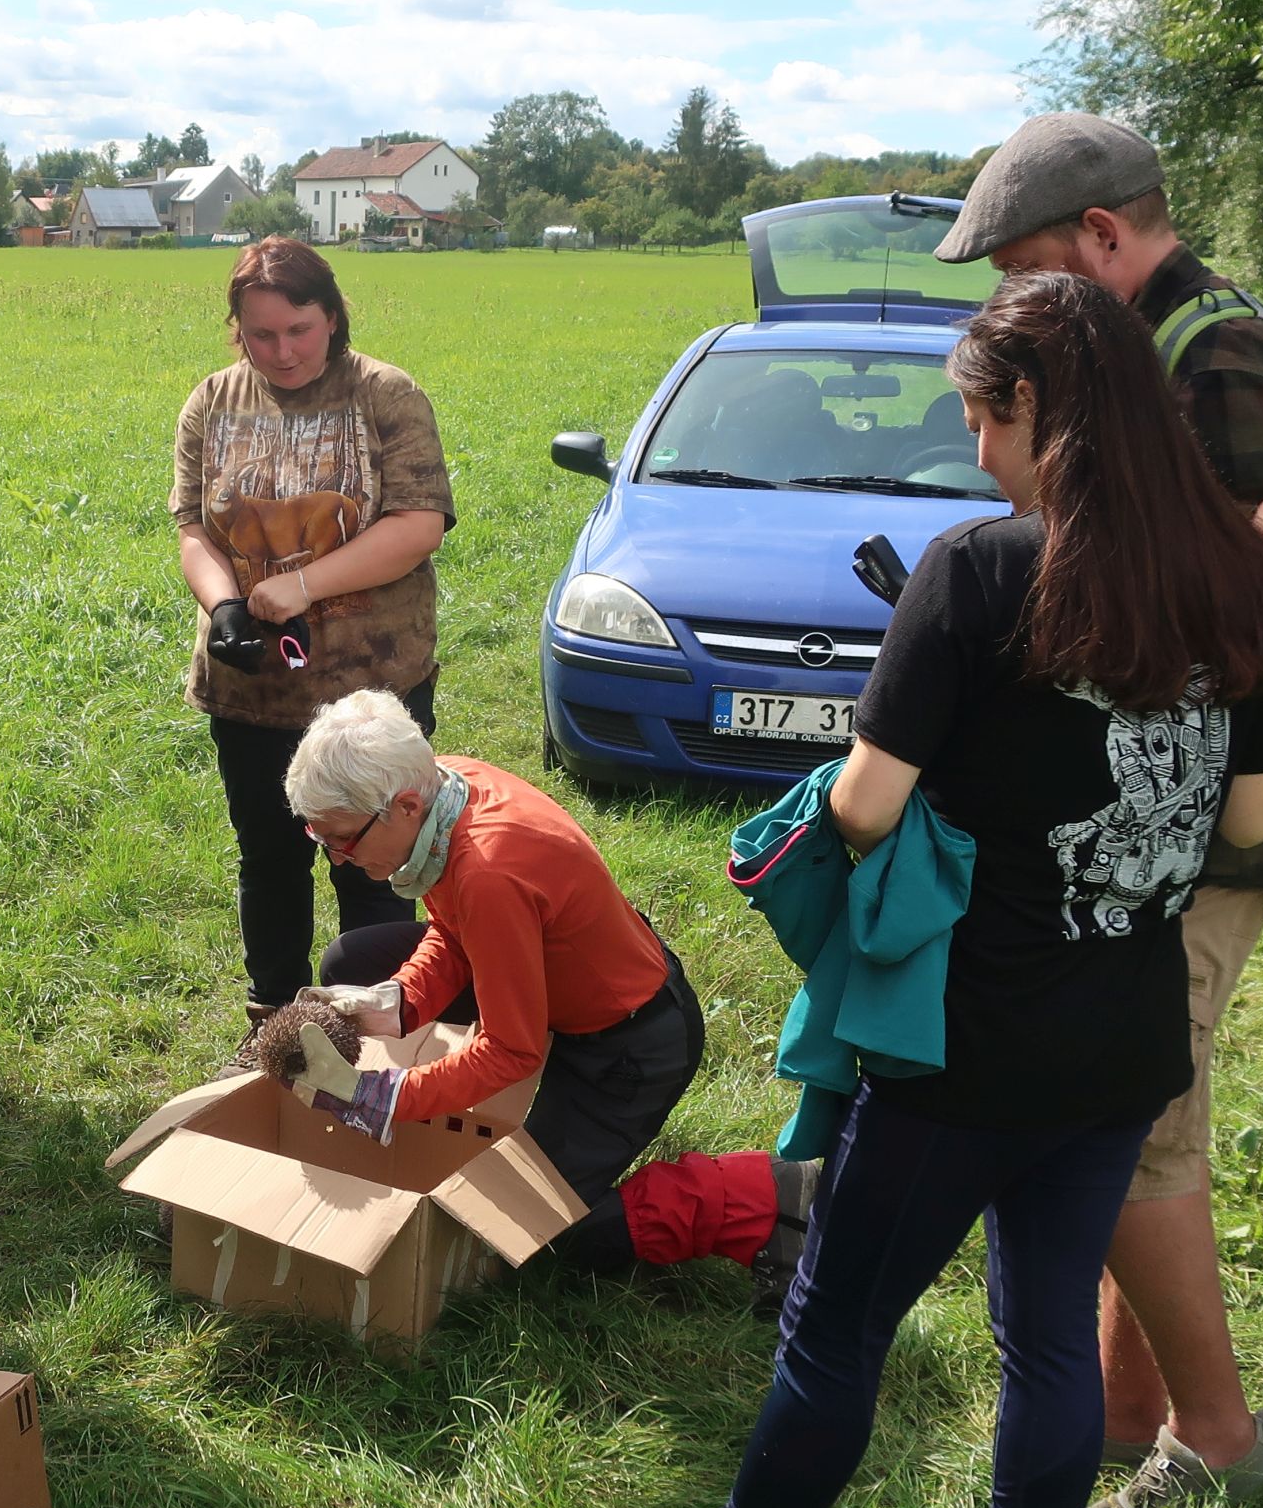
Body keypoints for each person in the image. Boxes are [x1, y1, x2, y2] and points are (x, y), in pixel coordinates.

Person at [537, 271, 1263, 1508]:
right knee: (1047, 1341)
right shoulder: (1239, 578)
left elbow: (861, 809)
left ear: (1033, 409)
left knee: (836, 1329)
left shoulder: (980, 572)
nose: (975, 452)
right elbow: (1256, 819)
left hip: (963, 1043)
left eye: (979, 419)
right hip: (1124, 1036)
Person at [936, 113, 1263, 1508]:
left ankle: (1216, 1442)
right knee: (1123, 1113)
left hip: (1212, 820)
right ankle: (1121, 1410)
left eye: (1027, 272)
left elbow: (1233, 623)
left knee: (1144, 1123)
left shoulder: (1219, 365)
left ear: (1103, 237)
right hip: (1148, 814)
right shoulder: (1156, 352)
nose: (1015, 308)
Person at [285, 691, 812, 1290]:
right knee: (354, 960)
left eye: (343, 840)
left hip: (630, 1050)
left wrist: (378, 1097)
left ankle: (762, 1192)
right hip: (563, 993)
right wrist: (399, 1000)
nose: (337, 859)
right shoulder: (442, 789)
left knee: (528, 1236)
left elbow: (512, 1050)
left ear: (404, 806)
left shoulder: (489, 871)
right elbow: (454, 930)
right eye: (322, 840)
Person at [173, 237, 454, 1021]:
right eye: (261, 334)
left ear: (332, 317)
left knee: (378, 868)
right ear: (237, 329)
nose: (282, 350)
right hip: (253, 694)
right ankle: (277, 1026)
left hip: (372, 691)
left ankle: (385, 1025)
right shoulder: (212, 402)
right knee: (269, 861)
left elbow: (419, 525)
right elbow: (194, 529)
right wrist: (224, 606)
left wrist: (302, 585)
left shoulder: (385, 395)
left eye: (298, 329)